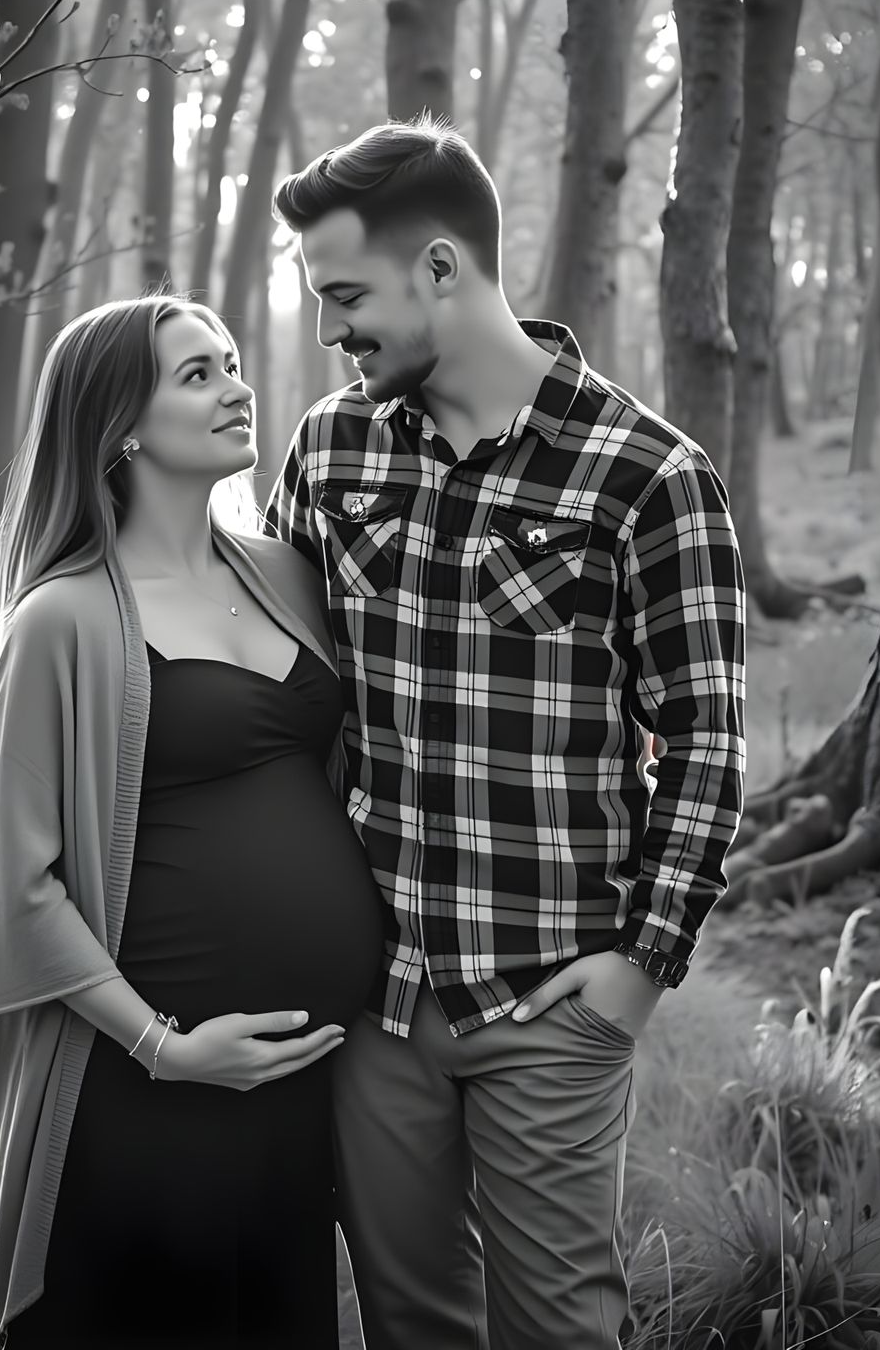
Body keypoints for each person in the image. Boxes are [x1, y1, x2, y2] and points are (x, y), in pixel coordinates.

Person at [264, 118, 748, 1350]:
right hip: (368, 998)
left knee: (560, 1331)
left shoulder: (648, 474)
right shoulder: (329, 449)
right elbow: (280, 694)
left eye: (345, 297)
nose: (330, 331)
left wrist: (640, 969)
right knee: (410, 1325)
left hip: (549, 996)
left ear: (440, 267)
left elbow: (703, 742)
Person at [0, 295, 384, 1350]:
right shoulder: (64, 618)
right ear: (120, 425)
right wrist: (164, 1047)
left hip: (298, 1081)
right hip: (140, 1083)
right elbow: (13, 882)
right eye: (197, 374)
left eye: (231, 362)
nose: (237, 388)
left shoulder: (285, 574)